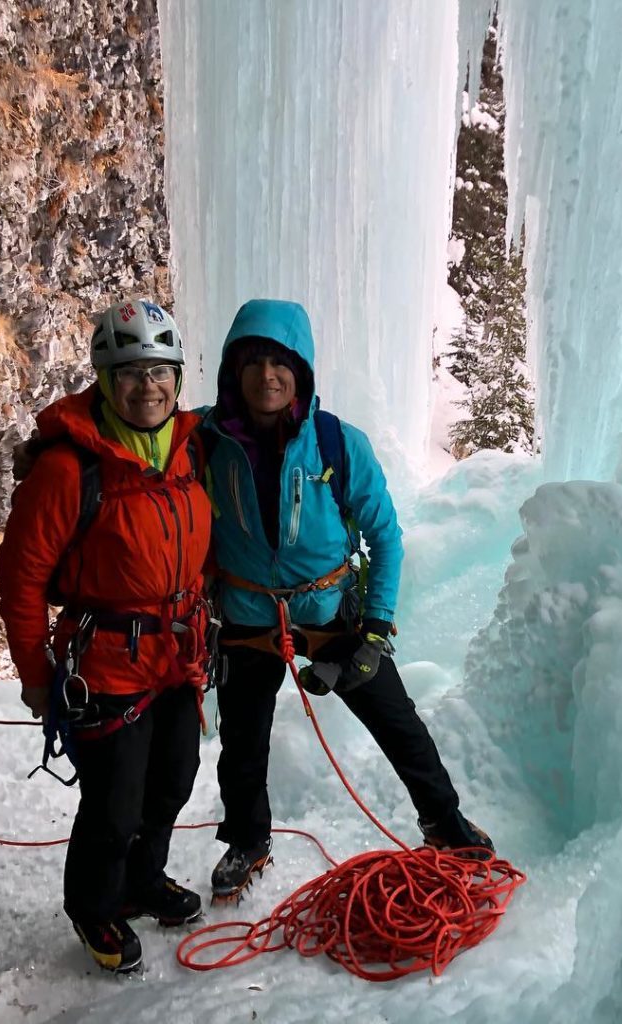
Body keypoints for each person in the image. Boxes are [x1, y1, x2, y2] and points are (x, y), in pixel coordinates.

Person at [199, 298, 495, 902]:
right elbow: (129, 442)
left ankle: (445, 822)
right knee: (243, 740)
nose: (267, 377)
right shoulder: (201, 439)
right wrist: (51, 449)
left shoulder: (337, 443)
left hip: (330, 612)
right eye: (252, 363)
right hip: (249, 614)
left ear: (302, 371)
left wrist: (379, 625)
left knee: (397, 722)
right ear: (233, 372)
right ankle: (248, 839)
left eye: (280, 363)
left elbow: (384, 535)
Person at [0, 299, 213, 974]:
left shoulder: (189, 449)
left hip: (175, 655)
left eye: (160, 371)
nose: (147, 386)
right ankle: (94, 905)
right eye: (130, 372)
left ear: (178, 378)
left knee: (173, 780)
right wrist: (35, 672)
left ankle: (142, 881)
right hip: (107, 662)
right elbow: (21, 576)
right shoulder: (70, 470)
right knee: (115, 805)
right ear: (105, 379)